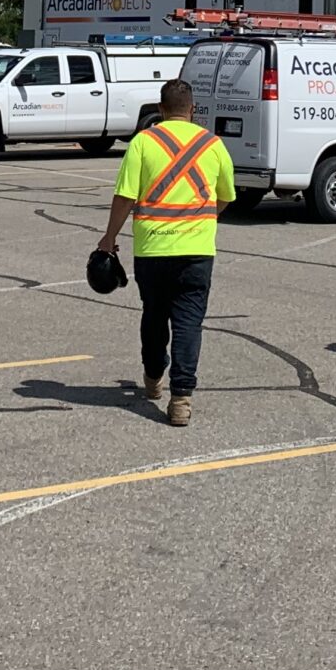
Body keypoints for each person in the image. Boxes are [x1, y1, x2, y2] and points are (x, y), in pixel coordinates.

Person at [96, 78, 235, 426]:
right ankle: (182, 399)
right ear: (192, 110)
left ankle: (153, 377)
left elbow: (125, 196)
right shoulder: (213, 145)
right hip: (197, 251)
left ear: (160, 109)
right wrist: (201, 221)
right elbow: (226, 195)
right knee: (189, 323)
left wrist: (108, 238)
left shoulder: (143, 142)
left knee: (154, 315)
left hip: (152, 249)